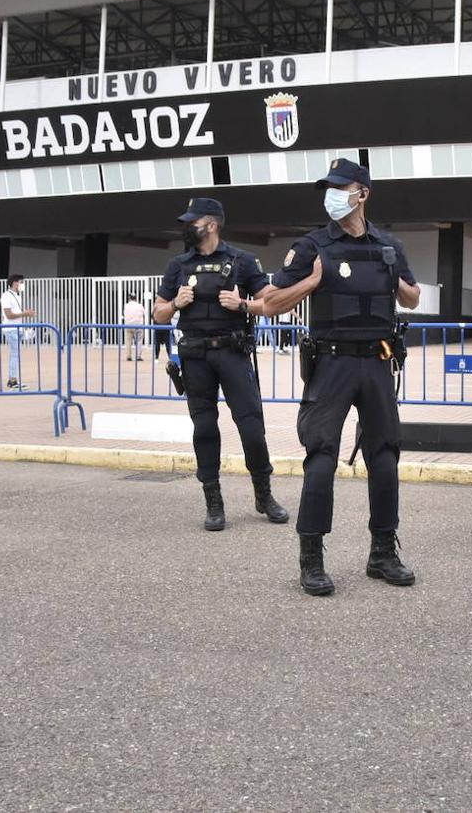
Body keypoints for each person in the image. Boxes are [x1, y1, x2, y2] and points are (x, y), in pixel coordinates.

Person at [247, 158, 420, 597]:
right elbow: (267, 302)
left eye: (341, 187)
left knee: (384, 457)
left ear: (363, 193)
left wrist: (398, 283)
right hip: (333, 363)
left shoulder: (388, 245)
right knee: (321, 456)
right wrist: (310, 283)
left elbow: (414, 297)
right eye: (329, 188)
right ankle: (311, 557)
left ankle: (382, 552)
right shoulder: (311, 246)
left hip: (378, 362)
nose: (333, 195)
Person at [153, 197, 295, 532]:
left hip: (232, 354)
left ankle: (264, 494)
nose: (188, 227)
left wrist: (243, 304)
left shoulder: (242, 261)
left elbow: (270, 303)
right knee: (204, 430)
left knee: (251, 428)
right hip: (195, 358)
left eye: (193, 222)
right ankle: (213, 502)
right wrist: (175, 303)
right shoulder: (178, 264)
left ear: (212, 224)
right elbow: (158, 312)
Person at [0, 274, 35, 390]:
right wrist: (25, 313)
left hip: (17, 328)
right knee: (14, 354)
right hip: (10, 329)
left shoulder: (17, 296)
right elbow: (9, 315)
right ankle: (12, 380)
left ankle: (13, 379)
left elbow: (16, 314)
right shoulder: (6, 296)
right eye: (21, 282)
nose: (22, 285)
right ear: (15, 283)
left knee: (16, 354)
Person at [123, 293, 147, 362]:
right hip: (138, 325)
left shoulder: (126, 306)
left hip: (129, 325)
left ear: (129, 298)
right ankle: (138, 356)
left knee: (128, 341)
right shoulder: (140, 306)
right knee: (139, 340)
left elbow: (124, 314)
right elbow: (144, 314)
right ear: (136, 298)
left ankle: (128, 356)